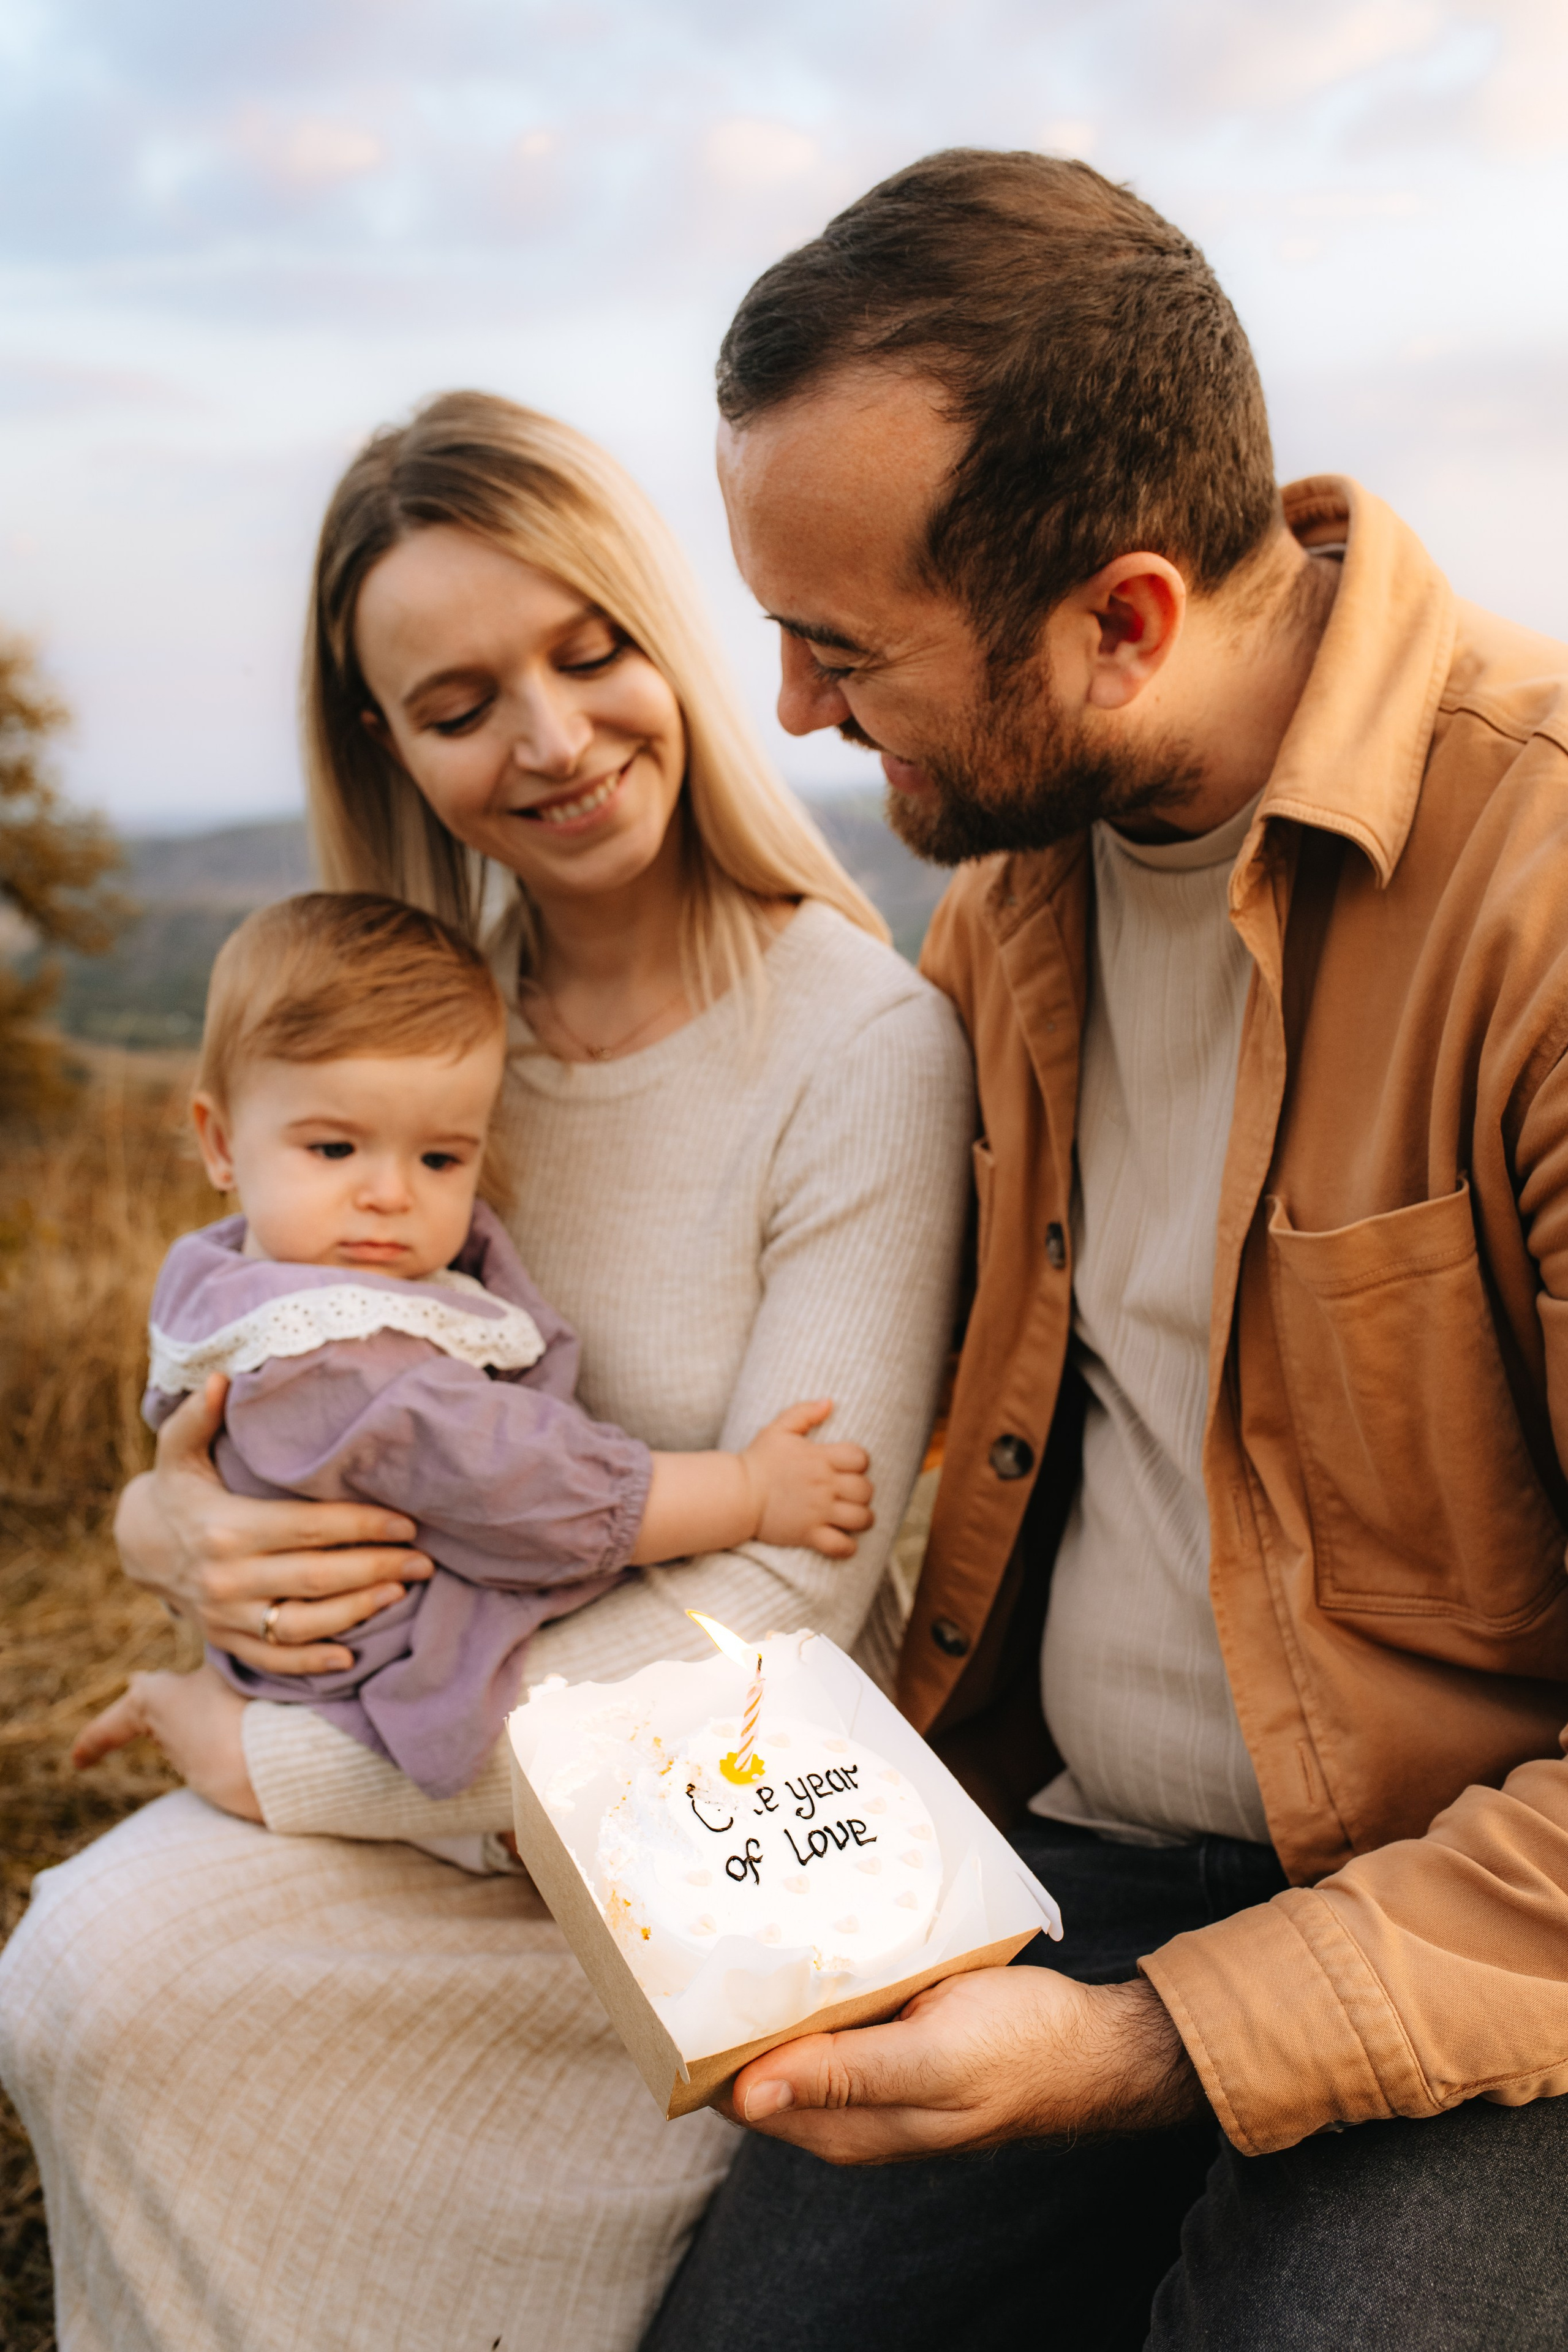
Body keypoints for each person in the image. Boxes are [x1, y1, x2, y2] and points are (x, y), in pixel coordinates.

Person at [643, 150, 1568, 2351]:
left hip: (1473, 1926)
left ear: (1123, 622)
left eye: (842, 647)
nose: (785, 709)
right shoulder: (1007, 907)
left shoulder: (1538, 903)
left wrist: (1138, 2045)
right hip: (1058, 1860)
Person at [0, 391, 973, 2351]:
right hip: (438, 1766)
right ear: (389, 747)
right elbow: (268, 1359)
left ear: (663, 631)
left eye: (587, 649)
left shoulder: (857, 1042)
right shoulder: (416, 1047)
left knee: (117, 1961)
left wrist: (287, 1765)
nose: (547, 737)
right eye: (456, 705)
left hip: (687, 1836)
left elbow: (791, 1595)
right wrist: (166, 1515)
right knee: (85, 1969)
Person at [74, 889, 875, 1805]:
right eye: (334, 1149)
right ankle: (476, 1838)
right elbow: (533, 1485)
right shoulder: (342, 1360)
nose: (389, 1193)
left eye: (441, 1159)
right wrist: (750, 1493)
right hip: (375, 1677)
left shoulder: (231, 1270)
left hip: (309, 1648)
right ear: (219, 1143)